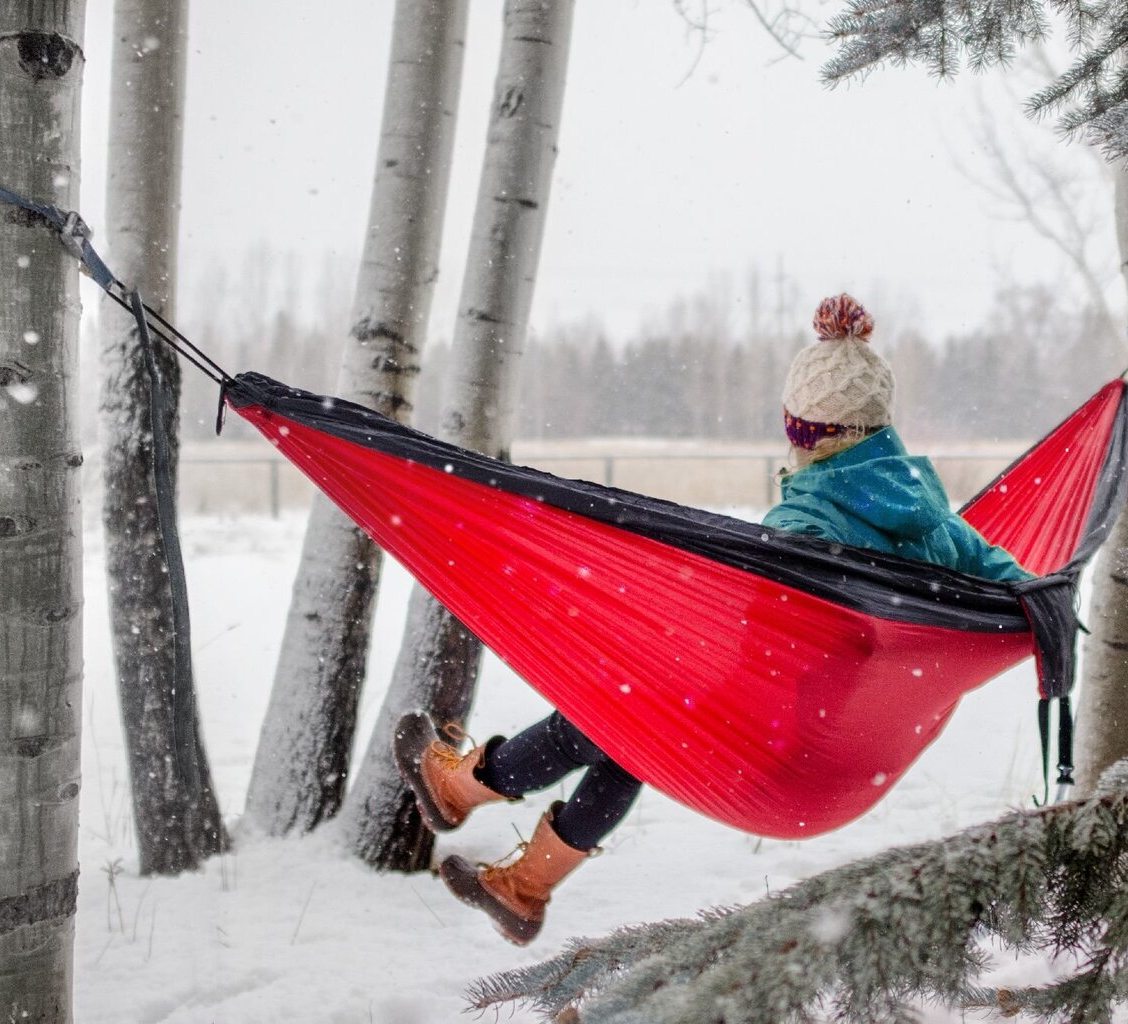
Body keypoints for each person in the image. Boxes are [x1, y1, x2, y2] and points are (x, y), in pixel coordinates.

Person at [393, 293, 1029, 945]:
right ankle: (517, 880)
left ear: (802, 432)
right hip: (835, 756)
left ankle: (466, 795)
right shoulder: (931, 521)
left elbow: (756, 647)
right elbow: (1016, 584)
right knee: (632, 725)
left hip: (768, 748)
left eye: (797, 426)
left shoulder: (801, 525)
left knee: (618, 712)